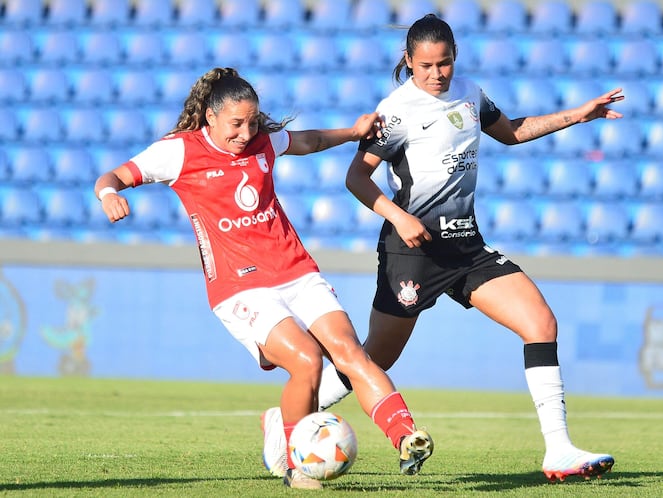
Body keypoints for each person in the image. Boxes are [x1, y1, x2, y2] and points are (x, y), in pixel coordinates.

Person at [263, 15, 621, 482]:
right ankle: (285, 423)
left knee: (540, 322)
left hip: (466, 247)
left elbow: (510, 131)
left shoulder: (470, 94)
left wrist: (578, 114)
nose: (437, 74)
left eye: (445, 63)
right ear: (409, 61)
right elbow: (356, 177)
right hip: (411, 252)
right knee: (376, 358)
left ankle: (558, 450)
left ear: (456, 58)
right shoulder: (396, 111)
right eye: (426, 65)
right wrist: (399, 216)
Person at [93, 67, 434, 490]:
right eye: (236, 123)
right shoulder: (178, 152)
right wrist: (109, 196)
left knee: (349, 351)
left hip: (296, 270)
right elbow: (113, 177)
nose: (246, 131)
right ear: (210, 116)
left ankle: (406, 436)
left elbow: (308, 141)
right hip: (239, 287)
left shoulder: (261, 143)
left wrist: (352, 131)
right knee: (307, 360)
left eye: (253, 121)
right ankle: (297, 467)